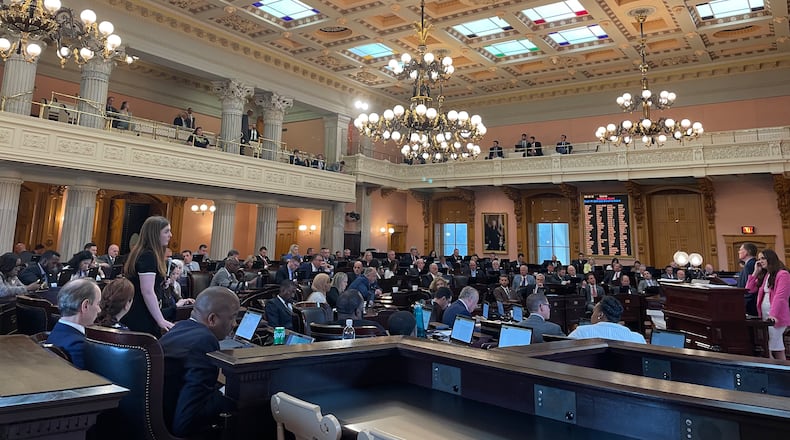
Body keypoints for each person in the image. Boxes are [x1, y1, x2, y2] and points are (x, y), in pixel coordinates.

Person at [160, 287, 238, 437]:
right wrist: (228, 393)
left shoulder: (180, 328)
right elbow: (186, 421)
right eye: (233, 317)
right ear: (212, 319)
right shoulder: (205, 341)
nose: (234, 324)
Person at [121, 216, 174, 337]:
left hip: (138, 310)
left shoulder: (143, 253)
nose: (170, 235)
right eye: (166, 231)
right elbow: (147, 291)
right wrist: (160, 320)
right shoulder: (148, 256)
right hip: (141, 313)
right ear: (155, 234)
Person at [46, 279, 102, 369]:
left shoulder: (56, 331)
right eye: (98, 304)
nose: (99, 310)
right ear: (85, 306)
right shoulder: (80, 346)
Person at [745, 249, 790, 360]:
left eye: (763, 258)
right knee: (776, 347)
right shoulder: (766, 275)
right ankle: (782, 371)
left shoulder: (783, 274)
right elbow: (748, 289)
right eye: (759, 259)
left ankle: (776, 370)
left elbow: (780, 297)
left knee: (770, 347)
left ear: (771, 258)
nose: (760, 261)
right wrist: (755, 272)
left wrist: (773, 315)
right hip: (765, 315)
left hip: (776, 316)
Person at [568, 296, 646, 343]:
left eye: (593, 311)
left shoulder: (581, 333)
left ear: (600, 314)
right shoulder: (637, 338)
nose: (591, 316)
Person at [737, 242, 759, 316]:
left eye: (741, 249)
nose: (738, 251)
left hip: (750, 304)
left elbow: (748, 287)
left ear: (747, 252)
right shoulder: (752, 263)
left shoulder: (749, 265)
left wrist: (744, 302)